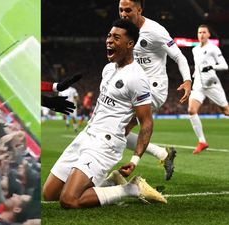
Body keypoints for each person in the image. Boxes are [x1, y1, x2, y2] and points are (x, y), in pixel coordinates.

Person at [42, 19, 166, 209]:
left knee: (69, 200)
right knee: (50, 193)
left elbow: (146, 122)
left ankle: (132, 189)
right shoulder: (108, 69)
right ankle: (110, 182)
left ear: (130, 44)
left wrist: (135, 159)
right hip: (87, 135)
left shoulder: (137, 78)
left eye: (116, 37)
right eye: (109, 36)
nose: (109, 40)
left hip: (105, 144)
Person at [119, 0, 192, 180]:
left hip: (154, 89)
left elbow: (179, 57)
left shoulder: (155, 31)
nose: (123, 14)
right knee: (117, 131)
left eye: (128, 10)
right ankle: (162, 154)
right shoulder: (123, 30)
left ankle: (112, 173)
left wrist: (187, 80)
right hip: (134, 87)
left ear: (139, 9)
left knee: (119, 128)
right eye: (120, 10)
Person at [188, 25, 229, 154]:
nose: (201, 34)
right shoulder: (195, 50)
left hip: (212, 84)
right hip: (199, 85)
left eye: (204, 32)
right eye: (199, 32)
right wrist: (195, 74)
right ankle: (202, 141)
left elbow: (225, 66)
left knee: (226, 111)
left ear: (209, 35)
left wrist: (211, 66)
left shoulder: (213, 49)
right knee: (191, 110)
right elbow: (197, 66)